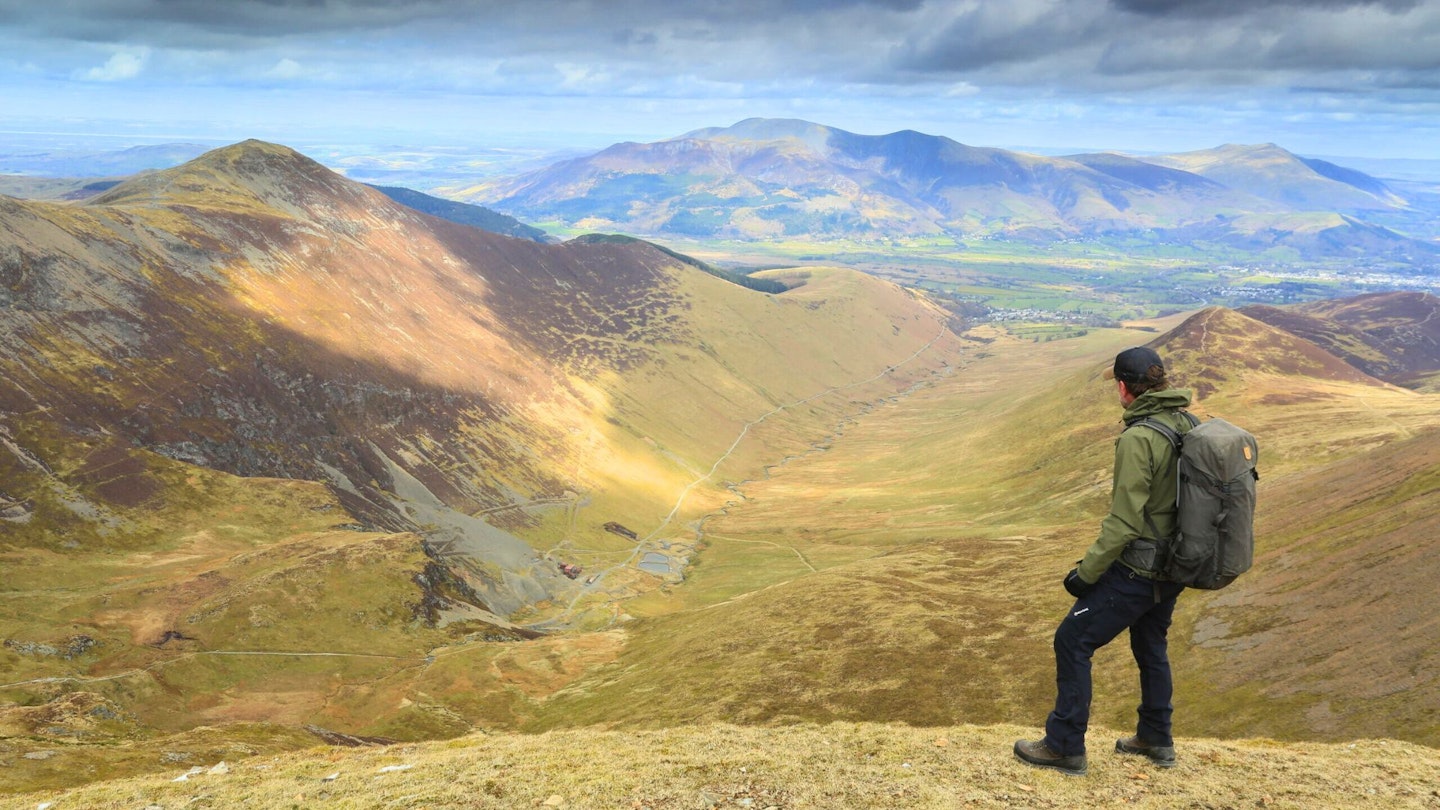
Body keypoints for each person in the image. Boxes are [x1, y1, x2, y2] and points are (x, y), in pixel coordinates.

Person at [1013, 346, 1194, 776]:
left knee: (1072, 640)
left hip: (1139, 568)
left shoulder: (1139, 438)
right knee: (1151, 645)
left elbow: (1124, 522)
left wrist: (1085, 574)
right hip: (1175, 565)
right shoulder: (1186, 421)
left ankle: (1064, 746)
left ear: (1122, 387)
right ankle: (1155, 738)